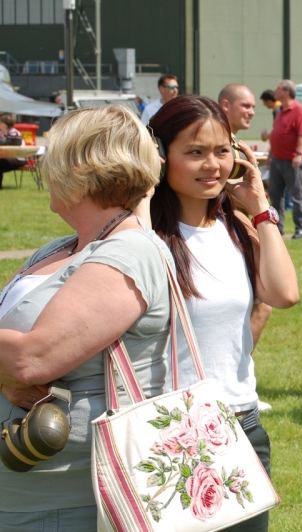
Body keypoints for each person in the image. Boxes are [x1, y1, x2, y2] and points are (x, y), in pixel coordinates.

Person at [0, 105, 171, 529]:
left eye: (50, 158)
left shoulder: (130, 252)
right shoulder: (63, 247)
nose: (41, 167)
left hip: (68, 498)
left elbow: (31, 359)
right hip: (27, 488)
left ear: (80, 169)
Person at [149, 95, 299, 532]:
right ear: (162, 157)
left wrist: (260, 208)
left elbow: (284, 293)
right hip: (170, 430)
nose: (212, 165)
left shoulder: (235, 228)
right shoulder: (144, 237)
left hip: (241, 425)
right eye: (194, 152)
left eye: (222, 150)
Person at [218, 84, 275, 413]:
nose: (252, 111)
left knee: (260, 305)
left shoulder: (234, 143)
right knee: (259, 305)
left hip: (240, 229)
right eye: (246, 105)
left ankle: (237, 377)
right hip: (228, 232)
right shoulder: (222, 143)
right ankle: (233, 379)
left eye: (254, 106)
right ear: (225, 105)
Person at [268, 79, 302, 238]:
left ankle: (301, 229)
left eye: (278, 88)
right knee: (275, 196)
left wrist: (299, 154)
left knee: (297, 196)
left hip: (291, 161)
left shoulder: (298, 110)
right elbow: (276, 134)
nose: (275, 91)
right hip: (276, 160)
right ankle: (277, 228)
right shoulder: (280, 110)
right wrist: (271, 155)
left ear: (286, 92)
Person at [0, 114, 25, 190]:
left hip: (18, 158)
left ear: (4, 124)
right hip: (6, 157)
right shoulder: (1, 133)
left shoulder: (14, 133)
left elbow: (14, 144)